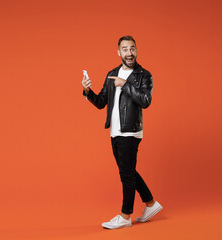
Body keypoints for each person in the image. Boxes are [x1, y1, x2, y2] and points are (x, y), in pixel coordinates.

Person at [82, 35, 163, 229]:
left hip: (131, 132)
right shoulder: (112, 74)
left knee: (126, 174)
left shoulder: (144, 75)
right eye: (125, 49)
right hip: (115, 132)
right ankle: (151, 203)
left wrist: (125, 84)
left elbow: (145, 100)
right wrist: (88, 92)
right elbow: (102, 103)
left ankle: (125, 216)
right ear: (118, 52)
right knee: (128, 171)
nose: (129, 53)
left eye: (132, 48)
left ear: (136, 51)